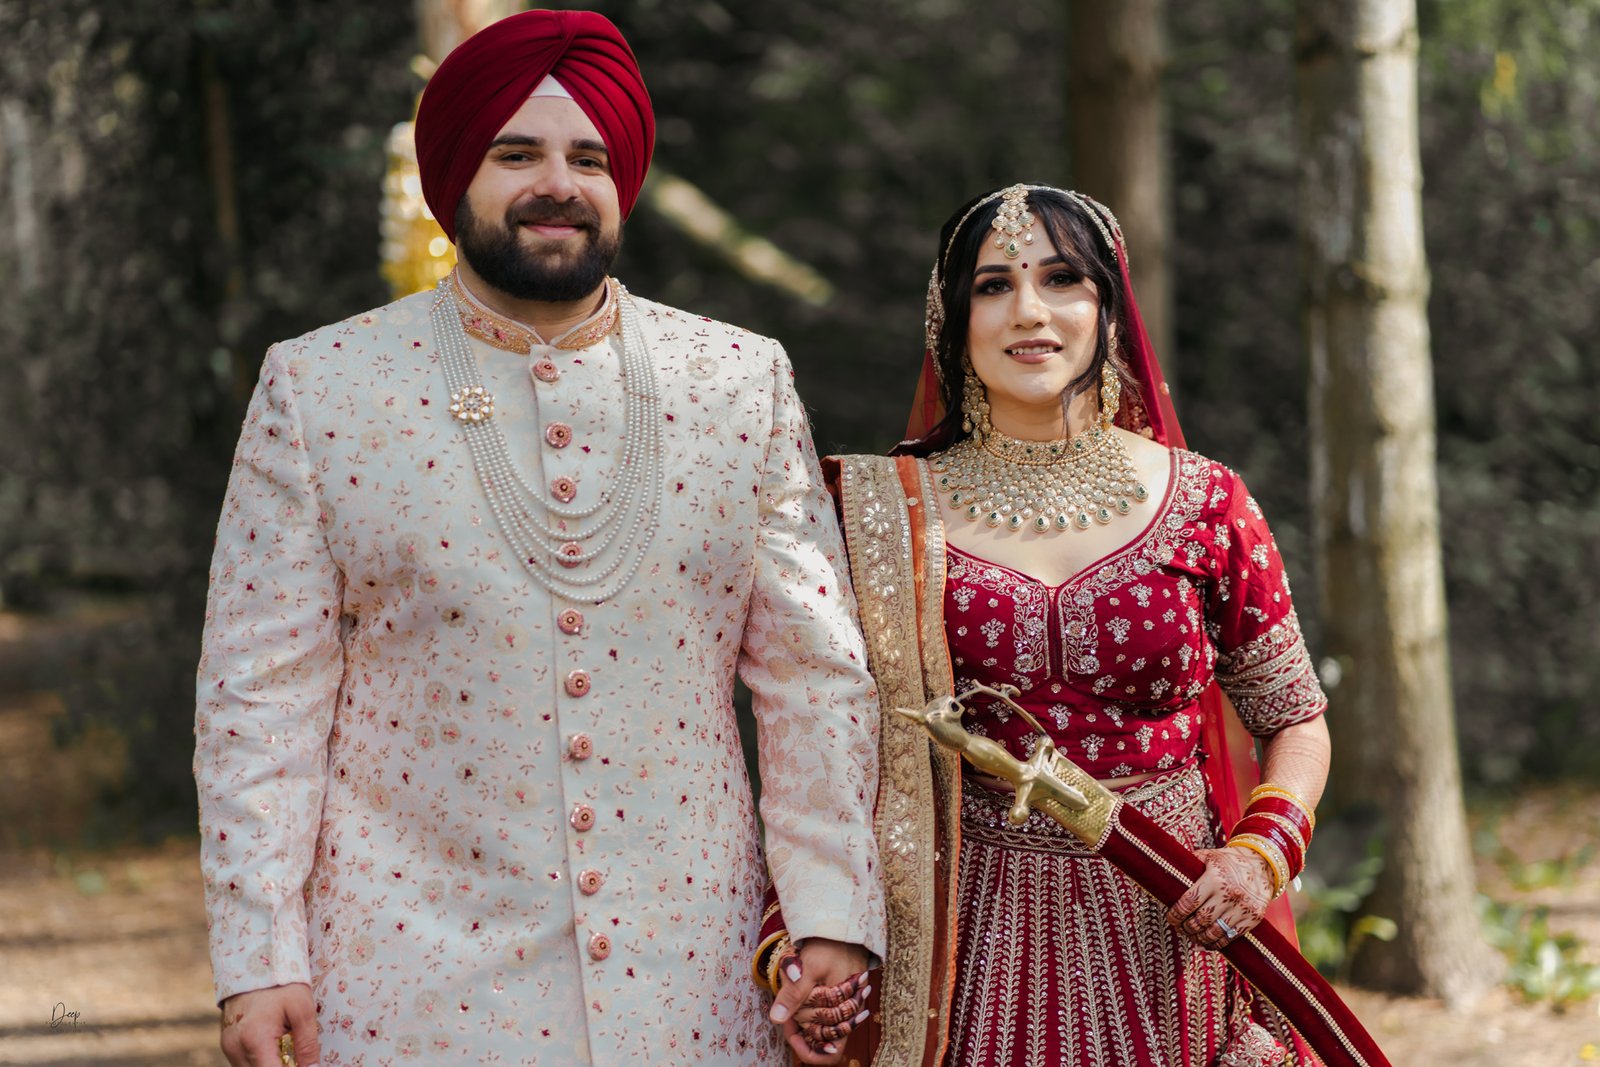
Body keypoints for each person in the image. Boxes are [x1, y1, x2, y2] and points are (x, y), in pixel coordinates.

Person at [193, 10, 884, 1066]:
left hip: (688, 979)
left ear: (624, 182)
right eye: (516, 153)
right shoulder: (321, 387)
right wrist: (257, 951)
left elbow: (814, 675)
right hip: (403, 978)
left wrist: (831, 913)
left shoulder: (738, 381)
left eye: (588, 157)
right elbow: (258, 693)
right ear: (457, 172)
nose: (556, 183)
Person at [756, 184, 1332, 1066]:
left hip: (1169, 927)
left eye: (1063, 279)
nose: (1029, 311)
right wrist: (800, 927)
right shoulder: (873, 512)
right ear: (951, 318)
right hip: (959, 939)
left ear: (1109, 307)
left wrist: (1258, 856)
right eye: (993, 285)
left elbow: (1293, 714)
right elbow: (815, 734)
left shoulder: (1206, 502)